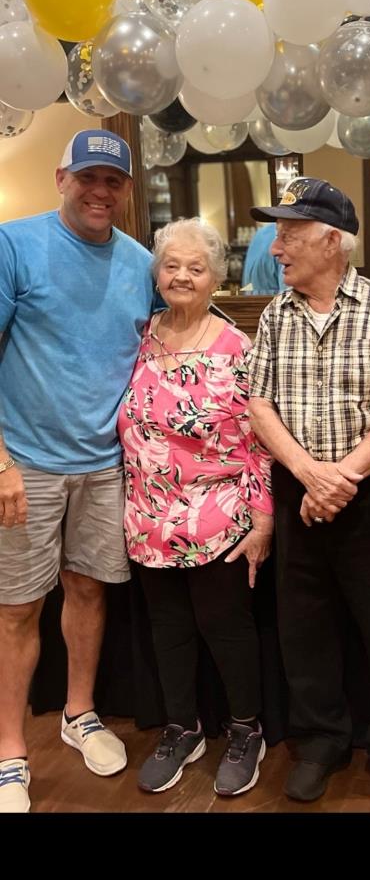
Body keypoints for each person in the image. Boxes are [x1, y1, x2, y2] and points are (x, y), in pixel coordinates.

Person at [248, 178, 370, 810]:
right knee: (306, 628)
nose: (276, 247)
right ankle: (321, 741)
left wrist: (340, 477)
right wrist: (309, 473)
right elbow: (259, 405)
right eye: (278, 233)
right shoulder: (276, 314)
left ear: (333, 241)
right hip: (302, 490)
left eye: (290, 233)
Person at [0, 129, 156, 813]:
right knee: (17, 609)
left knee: (89, 593)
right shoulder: (14, 244)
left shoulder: (143, 262)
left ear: (125, 190)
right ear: (62, 176)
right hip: (24, 463)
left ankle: (79, 713)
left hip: (105, 466)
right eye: (88, 177)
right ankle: (10, 750)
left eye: (112, 181)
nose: (100, 192)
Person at [118, 217, 273, 797]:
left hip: (218, 517)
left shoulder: (238, 347)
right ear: (157, 273)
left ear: (216, 277)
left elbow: (260, 444)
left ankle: (245, 730)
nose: (181, 275)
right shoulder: (140, 334)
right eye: (171, 265)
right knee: (168, 629)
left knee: (225, 628)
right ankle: (183, 729)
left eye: (195, 267)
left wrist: (263, 523)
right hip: (147, 516)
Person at [241, 221, 285, 294]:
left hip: (250, 302)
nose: (273, 249)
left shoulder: (260, 233)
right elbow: (290, 295)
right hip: (272, 302)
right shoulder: (285, 237)